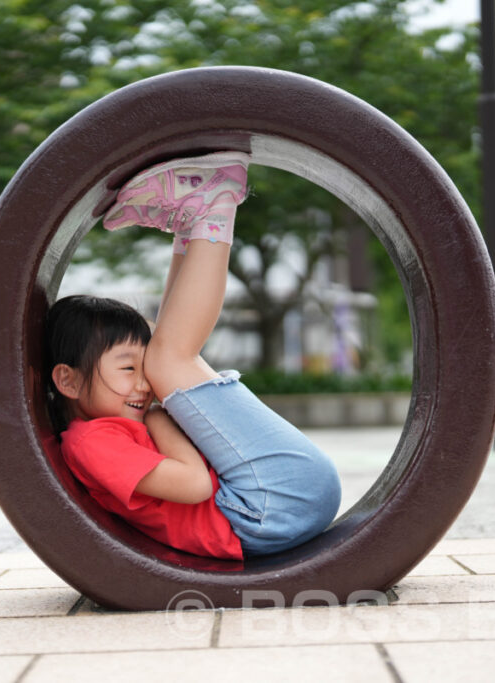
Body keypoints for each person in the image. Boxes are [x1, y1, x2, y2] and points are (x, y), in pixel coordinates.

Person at [44, 152, 341, 560]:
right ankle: (213, 204)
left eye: (138, 368)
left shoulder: (105, 429)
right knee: (169, 358)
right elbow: (195, 486)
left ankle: (192, 225)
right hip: (266, 509)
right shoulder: (91, 442)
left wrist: (158, 408)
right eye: (129, 368)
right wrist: (159, 416)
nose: (144, 383)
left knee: (166, 350)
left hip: (271, 500)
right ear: (68, 380)